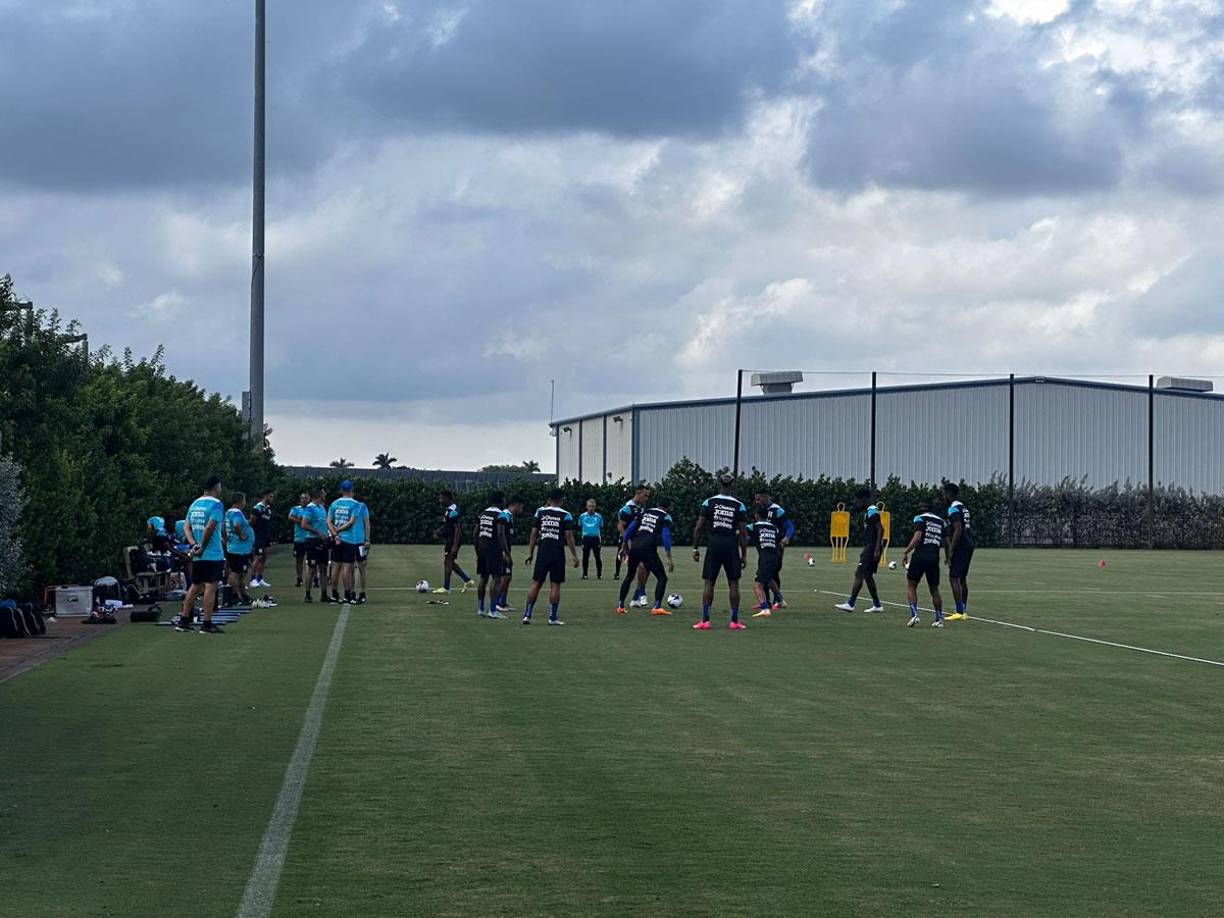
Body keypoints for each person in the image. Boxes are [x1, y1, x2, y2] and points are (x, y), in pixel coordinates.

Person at [691, 473, 750, 630]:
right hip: (730, 545)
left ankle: (705, 620)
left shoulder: (709, 502)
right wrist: (744, 554)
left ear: (719, 484)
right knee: (733, 582)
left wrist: (695, 547)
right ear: (732, 485)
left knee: (709, 581)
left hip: (714, 545)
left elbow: (699, 527)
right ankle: (734, 621)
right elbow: (743, 533)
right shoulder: (739, 505)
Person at [521, 489, 580, 625]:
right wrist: (574, 556)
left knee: (536, 582)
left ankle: (527, 615)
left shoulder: (540, 512)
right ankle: (552, 617)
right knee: (555, 584)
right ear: (561, 499)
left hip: (543, 551)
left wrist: (530, 553)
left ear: (550, 499)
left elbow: (533, 534)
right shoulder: (566, 515)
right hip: (557, 552)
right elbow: (569, 536)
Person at [179, 476, 226, 634]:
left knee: (195, 586)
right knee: (210, 587)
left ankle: (184, 620)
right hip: (212, 553)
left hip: (198, 554)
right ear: (215, 487)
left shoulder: (195, 503)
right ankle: (207, 623)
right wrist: (203, 547)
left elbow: (186, 527)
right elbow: (209, 528)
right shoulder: (217, 505)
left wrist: (194, 545)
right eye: (219, 486)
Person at [618, 498, 675, 615]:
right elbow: (666, 537)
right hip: (648, 548)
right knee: (662, 577)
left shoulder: (645, 512)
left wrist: (624, 546)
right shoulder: (666, 517)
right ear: (668, 508)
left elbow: (630, 529)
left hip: (635, 546)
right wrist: (669, 558)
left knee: (629, 576)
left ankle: (621, 606)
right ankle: (657, 607)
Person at [834, 488, 885, 614]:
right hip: (871, 546)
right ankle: (877, 605)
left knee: (859, 573)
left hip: (873, 547)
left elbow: (881, 529)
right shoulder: (869, 511)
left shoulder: (872, 510)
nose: (857, 503)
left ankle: (851, 604)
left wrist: (876, 548)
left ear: (864, 499)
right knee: (867, 576)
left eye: (858, 500)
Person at [901, 498, 948, 628]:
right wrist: (948, 557)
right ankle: (939, 619)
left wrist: (906, 552)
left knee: (911, 585)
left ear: (921, 508)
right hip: (934, 557)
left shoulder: (919, 518)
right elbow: (947, 542)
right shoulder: (941, 521)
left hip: (920, 556)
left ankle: (914, 614)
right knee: (934, 589)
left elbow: (917, 537)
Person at [753, 490, 795, 609]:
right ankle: (767, 601)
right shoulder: (761, 510)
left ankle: (777, 600)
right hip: (764, 544)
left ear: (766, 497)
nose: (756, 502)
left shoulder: (777, 510)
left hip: (776, 544)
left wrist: (787, 537)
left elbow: (790, 526)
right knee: (765, 571)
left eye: (758, 499)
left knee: (773, 571)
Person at [474, 492, 513, 619]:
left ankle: (480, 608)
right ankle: (492, 610)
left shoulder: (482, 514)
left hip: (482, 549)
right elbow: (501, 535)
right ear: (501, 500)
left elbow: (475, 533)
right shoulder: (500, 515)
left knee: (483, 578)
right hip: (493, 550)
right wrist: (506, 553)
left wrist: (477, 549)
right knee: (496, 579)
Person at [327, 480, 363, 605]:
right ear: (352, 490)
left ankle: (334, 595)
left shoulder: (334, 503)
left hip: (336, 539)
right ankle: (348, 595)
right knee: (347, 567)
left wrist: (335, 533)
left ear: (341, 490)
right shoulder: (355, 504)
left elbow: (329, 521)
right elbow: (352, 522)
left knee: (335, 566)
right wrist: (340, 530)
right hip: (349, 539)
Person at [615, 486, 652, 606]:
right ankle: (642, 594)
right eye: (645, 495)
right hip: (629, 542)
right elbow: (620, 526)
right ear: (638, 493)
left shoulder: (641, 508)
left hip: (640, 542)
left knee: (647, 568)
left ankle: (635, 598)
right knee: (639, 567)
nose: (647, 498)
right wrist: (627, 542)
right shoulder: (628, 508)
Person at [943, 482, 974, 621]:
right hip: (968, 543)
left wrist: (951, 550)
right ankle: (963, 609)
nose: (944, 497)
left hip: (961, 545)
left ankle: (959, 611)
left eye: (944, 494)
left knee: (953, 577)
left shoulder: (953, 509)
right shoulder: (964, 508)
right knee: (962, 577)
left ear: (949, 494)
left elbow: (958, 529)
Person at [434, 490, 473, 594]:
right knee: (449, 562)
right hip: (450, 539)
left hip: (453, 540)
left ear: (447, 498)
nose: (440, 500)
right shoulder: (449, 510)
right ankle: (467, 580)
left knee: (448, 561)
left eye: (441, 498)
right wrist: (439, 531)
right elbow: (449, 526)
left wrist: (455, 545)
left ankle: (446, 588)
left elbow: (457, 528)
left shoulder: (453, 511)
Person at [747, 506, 784, 618]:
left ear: (757, 516)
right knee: (769, 579)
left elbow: (741, 531)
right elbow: (778, 541)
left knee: (757, 585)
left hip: (766, 559)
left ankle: (765, 608)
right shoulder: (774, 527)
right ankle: (780, 600)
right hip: (776, 558)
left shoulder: (754, 526)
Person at [223, 492, 255, 607]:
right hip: (239, 549)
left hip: (236, 547)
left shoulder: (228, 513)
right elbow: (236, 525)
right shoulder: (237, 513)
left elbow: (224, 529)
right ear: (241, 501)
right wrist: (241, 535)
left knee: (241, 573)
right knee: (236, 573)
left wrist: (227, 541)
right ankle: (234, 596)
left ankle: (243, 594)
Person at [302, 489, 331, 603]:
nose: (325, 495)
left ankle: (324, 594)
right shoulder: (310, 508)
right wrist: (318, 532)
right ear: (319, 495)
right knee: (312, 569)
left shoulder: (322, 507)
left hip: (323, 541)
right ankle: (307, 595)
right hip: (313, 541)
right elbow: (304, 524)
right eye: (323, 493)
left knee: (324, 568)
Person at [249, 490, 274, 588]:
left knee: (263, 557)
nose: (272, 499)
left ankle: (260, 578)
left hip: (265, 536)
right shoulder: (257, 508)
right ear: (265, 496)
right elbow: (252, 522)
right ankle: (252, 578)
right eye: (271, 496)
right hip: (258, 536)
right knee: (258, 557)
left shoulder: (268, 508)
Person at [287, 493, 311, 588]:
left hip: (310, 538)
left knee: (312, 560)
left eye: (306, 498)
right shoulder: (296, 509)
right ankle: (299, 578)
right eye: (302, 498)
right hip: (299, 538)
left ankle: (314, 579)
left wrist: (303, 521)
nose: (304, 500)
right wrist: (300, 521)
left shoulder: (311, 509)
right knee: (299, 559)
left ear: (309, 500)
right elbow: (290, 517)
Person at [578, 499, 604, 579]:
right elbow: (580, 526)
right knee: (585, 557)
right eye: (589, 506)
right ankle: (585, 574)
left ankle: (599, 575)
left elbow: (601, 527)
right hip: (586, 538)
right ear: (586, 507)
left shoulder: (599, 516)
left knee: (597, 557)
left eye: (592, 506)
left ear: (595, 507)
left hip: (596, 539)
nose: (591, 508)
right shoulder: (582, 516)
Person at [355, 488, 372, 605]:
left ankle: (360, 593)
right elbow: (367, 523)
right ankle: (355, 593)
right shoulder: (361, 507)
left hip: (357, 542)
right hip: (355, 541)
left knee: (359, 567)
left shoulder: (360, 506)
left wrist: (367, 539)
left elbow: (367, 523)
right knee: (356, 568)